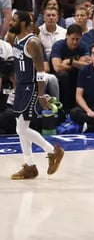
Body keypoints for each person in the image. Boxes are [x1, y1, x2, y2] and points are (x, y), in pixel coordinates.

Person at [9, 10, 64, 180]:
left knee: (21, 128)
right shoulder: (15, 38)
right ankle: (30, 166)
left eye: (14, 20)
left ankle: (52, 151)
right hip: (21, 86)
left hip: (31, 87)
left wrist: (41, 94)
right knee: (21, 128)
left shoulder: (32, 43)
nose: (10, 22)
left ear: (23, 23)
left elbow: (41, 71)